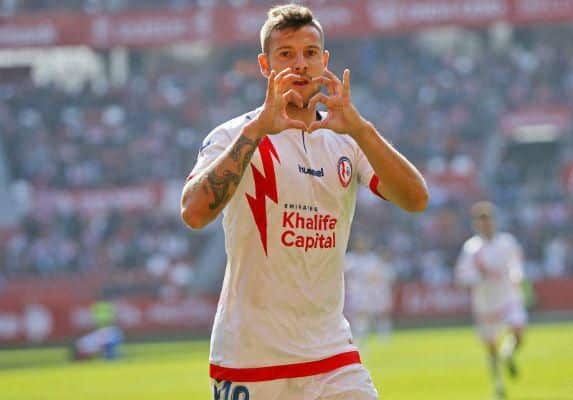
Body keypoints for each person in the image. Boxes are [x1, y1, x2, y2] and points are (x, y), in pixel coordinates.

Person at [181, 4, 428, 399]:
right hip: (251, 358)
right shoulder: (233, 135)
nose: (300, 64)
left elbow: (416, 199)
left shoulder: (347, 136)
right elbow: (193, 213)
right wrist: (258, 130)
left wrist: (362, 129)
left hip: (330, 353)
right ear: (264, 65)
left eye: (310, 53)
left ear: (325, 60)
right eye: (286, 54)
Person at [455, 201, 527, 399]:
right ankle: (498, 384)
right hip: (485, 304)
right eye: (481, 220)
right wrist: (480, 277)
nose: (486, 224)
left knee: (518, 331)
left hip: (508, 297)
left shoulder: (507, 242)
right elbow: (462, 277)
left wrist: (517, 277)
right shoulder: (471, 249)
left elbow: (516, 265)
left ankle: (509, 354)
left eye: (489, 219)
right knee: (491, 347)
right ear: (476, 224)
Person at [345, 235, 396, 348]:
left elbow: (377, 274)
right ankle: (360, 338)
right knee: (360, 315)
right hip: (355, 292)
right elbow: (344, 276)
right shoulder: (350, 259)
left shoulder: (372, 258)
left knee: (379, 313)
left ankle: (384, 338)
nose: (361, 245)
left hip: (370, 292)